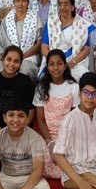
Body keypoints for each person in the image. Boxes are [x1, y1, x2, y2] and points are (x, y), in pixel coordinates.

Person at [34, 48, 79, 178]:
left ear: (65, 66)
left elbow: (74, 118)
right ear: (47, 67)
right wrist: (50, 144)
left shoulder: (74, 87)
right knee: (42, 158)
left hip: (67, 135)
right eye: (51, 64)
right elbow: (40, 119)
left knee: (72, 157)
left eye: (59, 64)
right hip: (46, 135)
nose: (55, 68)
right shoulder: (41, 88)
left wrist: (63, 141)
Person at [0, 46, 36, 133]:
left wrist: (19, 131)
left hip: (22, 132)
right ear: (2, 60)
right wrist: (1, 134)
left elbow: (31, 110)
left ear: (21, 64)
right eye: (9, 59)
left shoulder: (26, 82)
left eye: (16, 61)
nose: (12, 64)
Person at [0, 0, 41, 78]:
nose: (20, 4)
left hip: (28, 56)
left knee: (25, 68)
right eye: (17, 1)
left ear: (28, 3)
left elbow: (39, 42)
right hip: (8, 55)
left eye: (23, 1)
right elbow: (0, 39)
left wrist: (22, 56)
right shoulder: (7, 20)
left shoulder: (35, 19)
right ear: (14, 2)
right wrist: (4, 55)